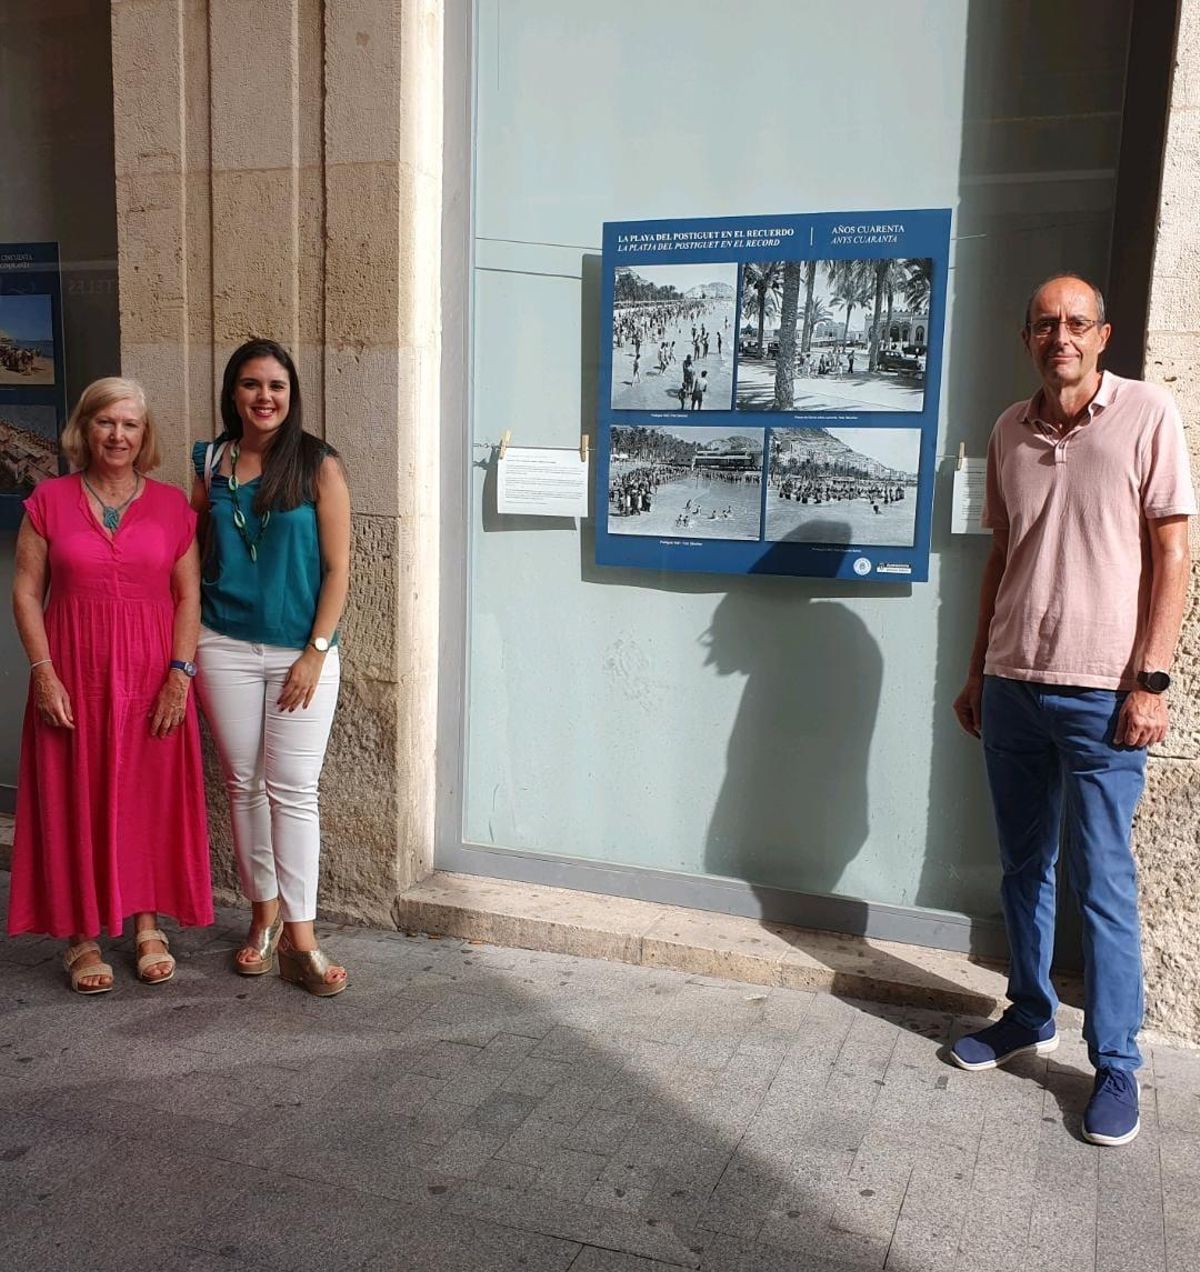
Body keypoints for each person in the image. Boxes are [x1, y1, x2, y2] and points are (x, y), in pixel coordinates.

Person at [951, 275, 1195, 1146]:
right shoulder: (1009, 430)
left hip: (1103, 695)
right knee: (1023, 869)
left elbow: (1174, 550)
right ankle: (1027, 1013)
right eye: (1047, 323)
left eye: (1078, 323)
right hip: (1014, 685)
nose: (1062, 335)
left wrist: (1152, 682)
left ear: (1104, 335)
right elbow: (1001, 559)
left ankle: (1118, 1063)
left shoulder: (1147, 414)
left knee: (1103, 882)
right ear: (1028, 339)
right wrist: (979, 670)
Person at [8, 378, 210, 992]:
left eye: (129, 424)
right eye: (105, 423)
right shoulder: (48, 499)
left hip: (152, 677)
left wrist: (180, 675)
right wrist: (42, 673)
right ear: (85, 429)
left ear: (144, 435)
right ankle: (81, 934)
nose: (117, 435)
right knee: (75, 793)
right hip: (73, 675)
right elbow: (24, 591)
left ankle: (148, 922)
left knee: (146, 794)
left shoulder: (174, 505)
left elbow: (188, 596)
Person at [192, 339, 351, 997]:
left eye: (277, 386)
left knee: (293, 788)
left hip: (298, 652)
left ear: (292, 394)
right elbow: (189, 550)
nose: (265, 397)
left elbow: (340, 568)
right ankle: (261, 918)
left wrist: (315, 652)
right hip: (222, 644)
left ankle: (301, 938)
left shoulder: (317, 465)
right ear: (233, 391)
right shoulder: (209, 462)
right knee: (242, 784)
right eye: (252, 384)